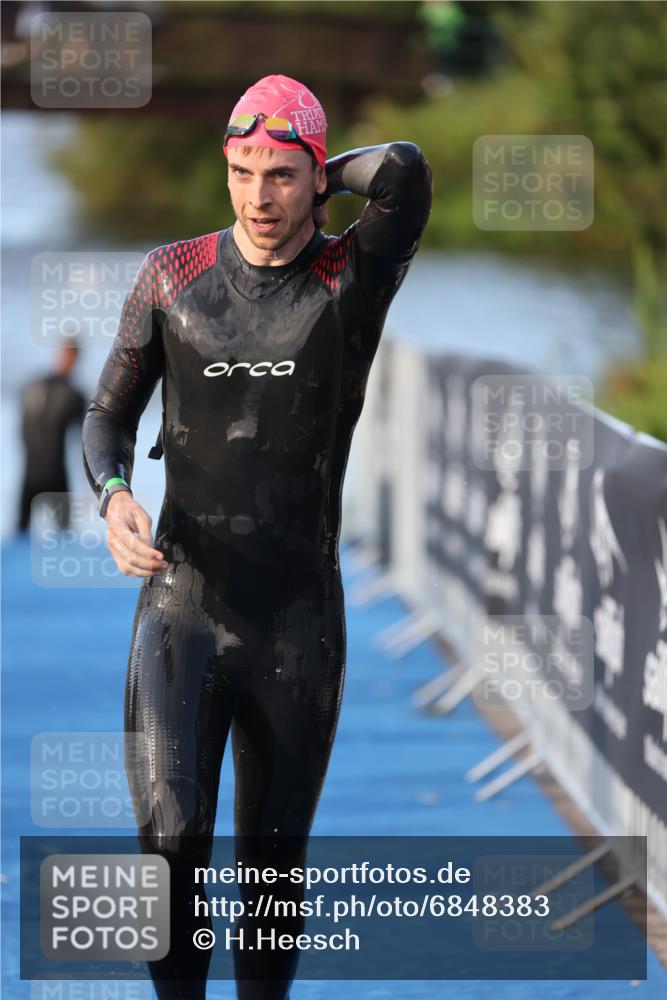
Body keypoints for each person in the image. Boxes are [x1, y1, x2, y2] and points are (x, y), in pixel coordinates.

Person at [82, 73, 432, 999]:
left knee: (271, 876)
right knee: (168, 846)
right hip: (181, 606)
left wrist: (322, 161)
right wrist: (115, 495)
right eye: (242, 171)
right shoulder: (172, 275)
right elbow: (106, 420)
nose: (258, 197)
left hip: (296, 623)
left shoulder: (351, 279)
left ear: (317, 179)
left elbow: (404, 170)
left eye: (282, 175)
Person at [18, 337, 87, 533]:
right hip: (33, 472)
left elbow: (86, 439)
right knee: (21, 533)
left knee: (64, 533)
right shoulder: (37, 386)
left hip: (53, 472)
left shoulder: (73, 394)